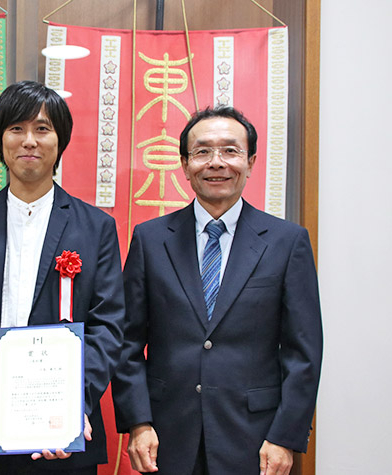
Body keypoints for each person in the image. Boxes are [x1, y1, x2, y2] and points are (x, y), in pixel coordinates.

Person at [0, 80, 125, 474]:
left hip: (62, 435)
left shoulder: (96, 228)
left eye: (42, 128)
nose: (29, 141)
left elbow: (108, 326)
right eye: (16, 129)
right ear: (1, 140)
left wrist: (71, 406)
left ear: (60, 141)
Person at [111, 107, 323, 475]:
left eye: (230, 151)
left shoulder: (287, 242)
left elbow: (303, 353)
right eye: (203, 152)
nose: (216, 163)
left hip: (257, 440)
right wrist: (138, 422)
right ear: (185, 164)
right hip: (166, 435)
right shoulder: (151, 239)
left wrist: (285, 436)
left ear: (251, 161)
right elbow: (127, 342)